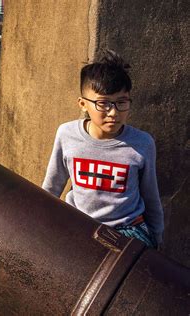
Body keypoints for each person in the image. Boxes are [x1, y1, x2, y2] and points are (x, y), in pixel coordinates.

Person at [42, 50, 164, 249]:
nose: (113, 112)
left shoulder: (142, 143)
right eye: (103, 103)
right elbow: (52, 187)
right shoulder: (67, 134)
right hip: (80, 224)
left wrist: (156, 238)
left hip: (128, 228)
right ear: (83, 104)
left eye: (121, 102)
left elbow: (151, 196)